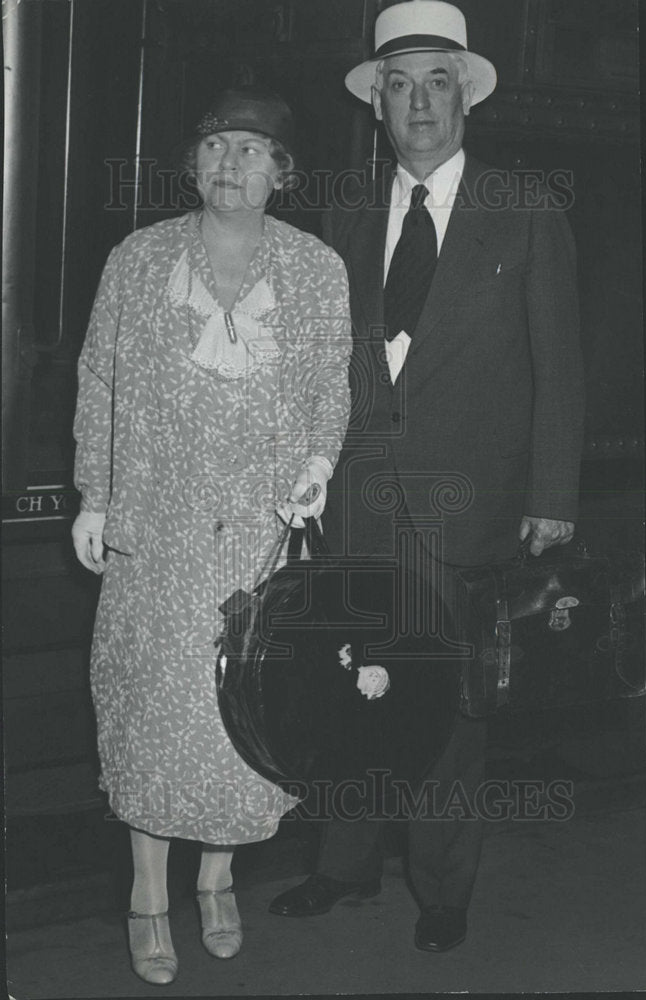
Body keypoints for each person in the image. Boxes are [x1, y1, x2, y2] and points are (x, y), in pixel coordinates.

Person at [269, 0, 585, 954]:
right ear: (377, 108)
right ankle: (343, 867)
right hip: (357, 505)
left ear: (466, 99)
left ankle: (444, 892)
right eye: (398, 87)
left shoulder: (525, 208)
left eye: (435, 83)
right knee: (346, 682)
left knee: (445, 700)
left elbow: (559, 365)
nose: (418, 105)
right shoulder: (347, 215)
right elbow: (318, 365)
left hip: (470, 507)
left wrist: (553, 500)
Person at [71, 87, 351, 985]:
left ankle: (219, 878)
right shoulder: (138, 258)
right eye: (215, 146)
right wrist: (93, 497)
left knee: (239, 716)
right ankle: (148, 891)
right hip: (156, 527)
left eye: (251, 149)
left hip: (257, 537)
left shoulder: (316, 269)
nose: (229, 163)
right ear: (192, 164)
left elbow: (328, 385)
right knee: (155, 712)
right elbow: (98, 383)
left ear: (284, 172)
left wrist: (318, 463)